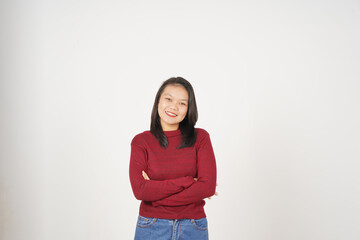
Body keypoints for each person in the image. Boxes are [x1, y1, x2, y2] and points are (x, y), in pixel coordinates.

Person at [129, 77, 218, 240]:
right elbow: (140, 190)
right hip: (151, 226)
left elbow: (207, 187)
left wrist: (155, 197)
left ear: (189, 109)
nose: (174, 107)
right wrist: (189, 181)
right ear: (158, 102)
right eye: (168, 99)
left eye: (182, 103)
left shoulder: (201, 138)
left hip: (192, 227)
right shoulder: (141, 142)